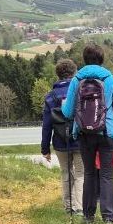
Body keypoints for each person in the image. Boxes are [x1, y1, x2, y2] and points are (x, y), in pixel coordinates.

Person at [61, 43, 113, 224]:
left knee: (89, 173)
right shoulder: (110, 79)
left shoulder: (76, 80)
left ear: (84, 60)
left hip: (84, 132)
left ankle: (88, 216)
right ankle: (108, 217)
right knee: (106, 173)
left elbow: (67, 113)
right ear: (101, 59)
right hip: (107, 132)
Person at [41, 58, 83, 215]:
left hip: (59, 142)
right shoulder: (80, 91)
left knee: (66, 173)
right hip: (79, 139)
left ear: (58, 74)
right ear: (74, 72)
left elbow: (46, 125)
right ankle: (79, 207)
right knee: (80, 173)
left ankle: (68, 206)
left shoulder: (50, 97)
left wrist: (45, 149)